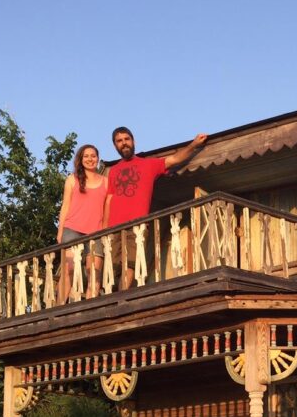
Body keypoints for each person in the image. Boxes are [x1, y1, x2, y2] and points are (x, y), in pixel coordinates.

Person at [107, 127, 208, 289]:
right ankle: (112, 300)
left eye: (126, 139)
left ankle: (121, 299)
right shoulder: (112, 171)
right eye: (119, 141)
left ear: (133, 141)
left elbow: (174, 159)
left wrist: (194, 144)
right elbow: (109, 199)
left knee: (130, 265)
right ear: (115, 146)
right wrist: (105, 228)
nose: (124, 143)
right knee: (112, 269)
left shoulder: (148, 164)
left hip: (136, 226)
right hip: (113, 228)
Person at [56, 144, 111, 303]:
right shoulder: (72, 179)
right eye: (86, 156)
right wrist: (60, 231)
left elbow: (107, 209)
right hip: (72, 228)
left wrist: (105, 231)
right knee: (69, 270)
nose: (90, 159)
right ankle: (58, 308)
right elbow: (65, 206)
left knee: (94, 272)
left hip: (96, 232)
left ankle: (91, 308)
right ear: (80, 159)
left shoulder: (106, 182)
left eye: (93, 156)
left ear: (98, 158)